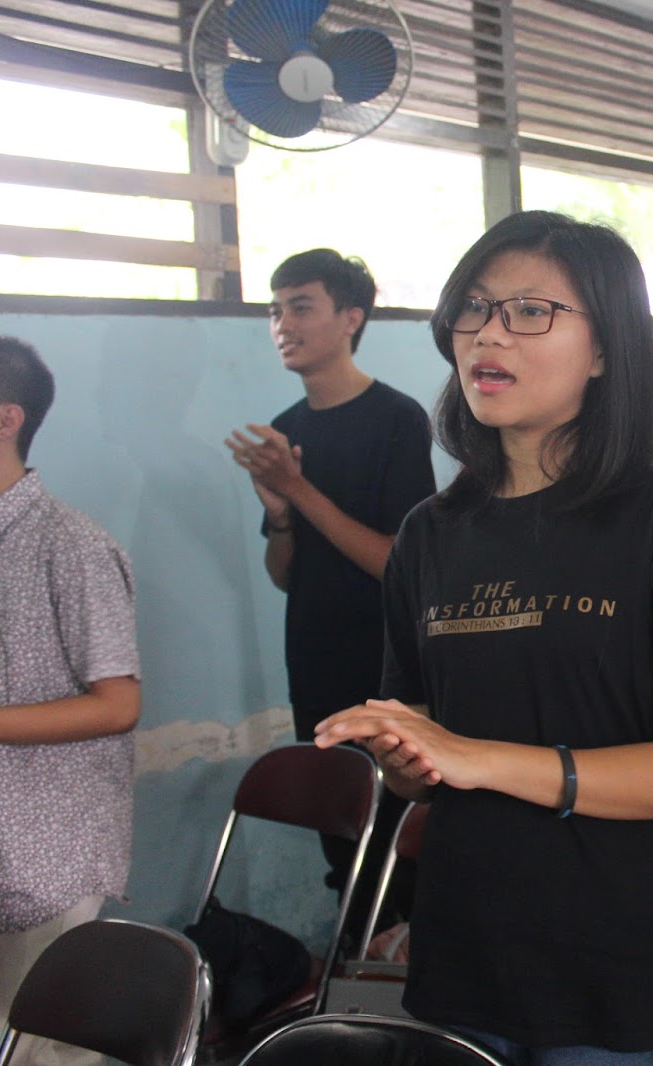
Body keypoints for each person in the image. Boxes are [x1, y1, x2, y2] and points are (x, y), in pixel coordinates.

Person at [314, 211, 653, 1064]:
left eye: (530, 311)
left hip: (614, 976)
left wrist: (477, 757)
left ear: (605, 348)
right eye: (474, 308)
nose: (488, 333)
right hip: (464, 959)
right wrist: (410, 759)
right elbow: (421, 754)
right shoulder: (430, 534)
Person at [225, 249, 436, 918]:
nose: (283, 325)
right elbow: (284, 575)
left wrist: (298, 490)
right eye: (274, 311)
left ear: (351, 318)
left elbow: (397, 566)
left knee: (395, 837)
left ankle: (399, 951)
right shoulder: (287, 431)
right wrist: (280, 514)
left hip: (387, 664)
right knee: (338, 835)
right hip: (315, 660)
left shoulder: (396, 419)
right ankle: (356, 955)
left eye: (301, 307)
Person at [0, 329, 141, 1066]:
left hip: (45, 862)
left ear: (7, 420)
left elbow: (117, 704)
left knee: (14, 1053)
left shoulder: (71, 545)